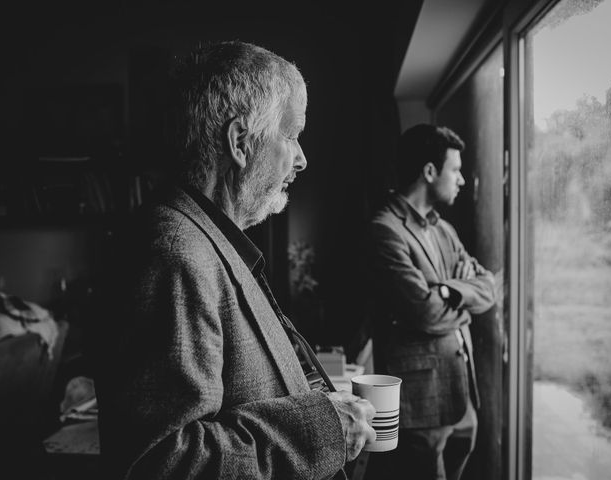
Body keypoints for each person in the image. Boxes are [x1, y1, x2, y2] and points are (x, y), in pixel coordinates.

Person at [91, 41, 375, 480]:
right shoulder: (175, 253)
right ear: (240, 141)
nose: (301, 159)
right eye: (291, 134)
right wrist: (324, 428)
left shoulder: (208, 239)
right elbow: (162, 461)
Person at [367, 124, 496, 480]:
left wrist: (448, 291)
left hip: (461, 395)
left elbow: (488, 286)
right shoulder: (385, 230)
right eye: (455, 170)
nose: (462, 180)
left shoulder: (445, 230)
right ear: (429, 171)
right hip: (420, 403)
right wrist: (462, 303)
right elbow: (424, 312)